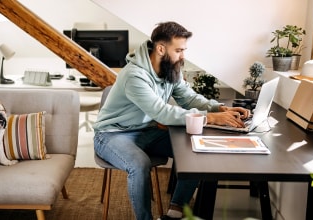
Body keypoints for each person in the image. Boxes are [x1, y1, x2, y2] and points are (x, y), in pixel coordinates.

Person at [93, 21, 250, 220]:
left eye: (184, 50)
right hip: (112, 135)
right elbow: (162, 113)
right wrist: (211, 117)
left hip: (146, 131)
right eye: (179, 50)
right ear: (161, 48)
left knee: (196, 150)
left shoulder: (170, 68)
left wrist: (219, 108)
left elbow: (189, 98)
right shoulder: (134, 76)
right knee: (139, 164)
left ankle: (175, 212)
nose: (183, 55)